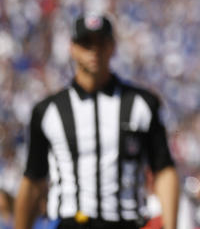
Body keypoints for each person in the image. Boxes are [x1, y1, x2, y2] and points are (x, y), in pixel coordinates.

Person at [14, 14, 179, 229]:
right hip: (70, 223)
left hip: (125, 221)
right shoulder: (49, 111)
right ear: (72, 48)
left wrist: (171, 225)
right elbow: (33, 181)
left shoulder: (141, 104)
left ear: (112, 47)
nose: (94, 51)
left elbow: (164, 169)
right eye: (86, 43)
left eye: (101, 43)